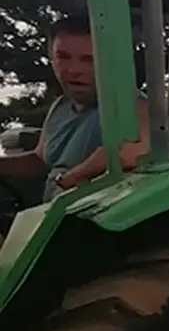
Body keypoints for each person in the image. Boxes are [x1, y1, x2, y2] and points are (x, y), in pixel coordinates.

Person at [0, 15, 150, 208]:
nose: (73, 69)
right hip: (53, 212)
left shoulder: (133, 106)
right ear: (52, 58)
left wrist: (68, 180)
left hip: (93, 216)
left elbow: (129, 154)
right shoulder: (60, 107)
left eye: (89, 60)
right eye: (63, 57)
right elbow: (40, 159)